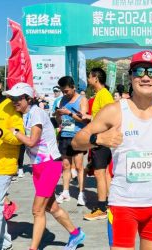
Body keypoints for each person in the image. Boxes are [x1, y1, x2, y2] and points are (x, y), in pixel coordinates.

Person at [72, 50, 152, 249]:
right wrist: (99, 138)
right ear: (131, 76)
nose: (146, 77)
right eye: (139, 71)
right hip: (123, 205)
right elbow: (77, 141)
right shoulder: (114, 111)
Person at [4, 82, 85, 250]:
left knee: (37, 210)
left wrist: (15, 133)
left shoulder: (36, 113)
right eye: (12, 98)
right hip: (37, 167)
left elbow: (32, 141)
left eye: (18, 98)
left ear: (28, 98)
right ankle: (75, 234)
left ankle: (33, 248)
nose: (14, 102)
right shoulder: (23, 115)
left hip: (50, 165)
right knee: (51, 207)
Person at [0, 71, 24, 250]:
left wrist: (0, 133)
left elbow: (19, 136)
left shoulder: (11, 106)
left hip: (3, 165)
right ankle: (5, 241)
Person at [82, 67, 114, 221]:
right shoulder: (101, 95)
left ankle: (101, 208)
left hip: (101, 140)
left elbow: (110, 117)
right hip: (101, 139)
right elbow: (99, 117)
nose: (88, 80)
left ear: (95, 78)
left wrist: (100, 137)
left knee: (99, 173)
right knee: (105, 173)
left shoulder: (104, 95)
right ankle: (108, 204)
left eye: (89, 76)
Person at [55, 76, 88, 206]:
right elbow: (60, 122)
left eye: (67, 91)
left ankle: (81, 193)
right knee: (66, 165)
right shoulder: (62, 99)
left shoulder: (82, 100)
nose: (65, 94)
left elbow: (84, 120)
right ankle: (65, 192)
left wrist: (69, 113)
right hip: (64, 135)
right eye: (63, 91)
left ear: (73, 87)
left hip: (78, 136)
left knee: (79, 166)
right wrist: (58, 116)